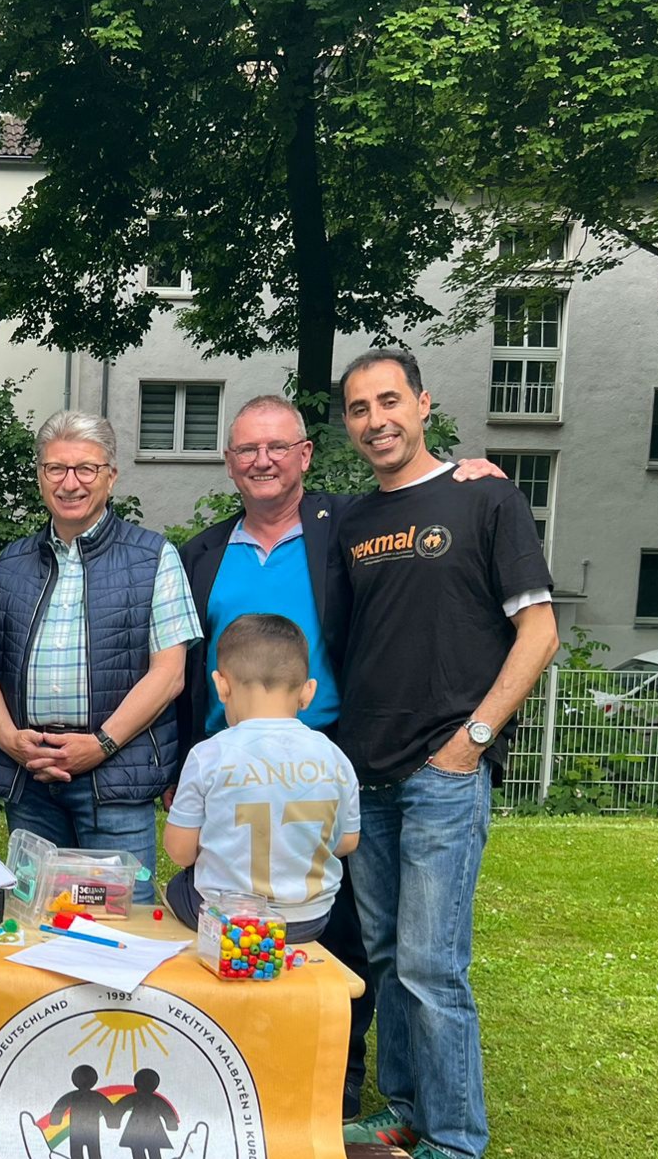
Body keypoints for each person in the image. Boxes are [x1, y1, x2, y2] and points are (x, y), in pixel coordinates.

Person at [172, 392, 502, 1120]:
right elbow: (189, 669)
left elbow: (416, 509)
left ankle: (334, 1083)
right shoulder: (201, 552)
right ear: (229, 463)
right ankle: (222, 1069)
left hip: (331, 763)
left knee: (346, 937)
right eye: (246, 450)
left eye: (277, 447)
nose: (262, 461)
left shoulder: (346, 526)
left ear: (305, 455)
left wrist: (468, 477)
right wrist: (184, 768)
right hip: (225, 763)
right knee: (228, 918)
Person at [332, 348, 557, 1159]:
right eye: (358, 409)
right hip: (367, 771)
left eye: (389, 400)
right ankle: (403, 1112)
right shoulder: (351, 523)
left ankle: (456, 1141)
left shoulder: (487, 497)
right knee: (391, 961)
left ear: (424, 404)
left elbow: (540, 630)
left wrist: (474, 742)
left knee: (433, 968)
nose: (375, 420)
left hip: (443, 771)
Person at [0, 411, 199, 901]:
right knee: (32, 923)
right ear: (40, 477)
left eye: (85, 469)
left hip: (114, 781)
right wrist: (10, 739)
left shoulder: (153, 557)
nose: (69, 482)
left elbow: (169, 675)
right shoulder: (7, 563)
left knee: (120, 929)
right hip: (29, 776)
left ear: (110, 476)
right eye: (56, 469)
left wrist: (99, 744)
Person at [162, 614, 360, 941]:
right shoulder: (335, 756)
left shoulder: (208, 755)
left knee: (177, 886)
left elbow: (180, 851)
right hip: (308, 920)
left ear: (221, 685)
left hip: (228, 921)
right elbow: (347, 842)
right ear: (308, 692)